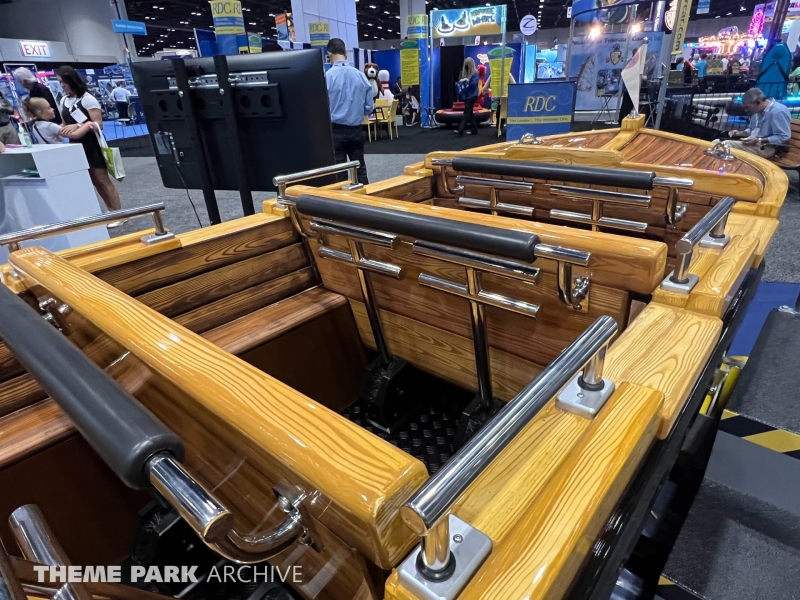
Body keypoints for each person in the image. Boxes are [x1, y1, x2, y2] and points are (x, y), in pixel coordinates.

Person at [56, 65, 122, 212]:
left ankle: (119, 213)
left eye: (63, 82)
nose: (62, 85)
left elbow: (98, 124)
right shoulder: (63, 100)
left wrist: (78, 125)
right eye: (60, 82)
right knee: (94, 181)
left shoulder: (87, 99)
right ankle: (111, 210)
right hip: (76, 145)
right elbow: (65, 123)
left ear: (71, 81)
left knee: (103, 180)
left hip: (92, 144)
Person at [324, 38, 373, 184]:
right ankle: (366, 197)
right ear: (345, 53)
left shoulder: (327, 77)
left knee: (340, 174)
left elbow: (322, 106)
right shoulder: (360, 75)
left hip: (336, 131)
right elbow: (369, 107)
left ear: (329, 54)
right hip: (356, 129)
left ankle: (343, 199)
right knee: (360, 170)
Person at [720, 87, 791, 159]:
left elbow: (784, 137)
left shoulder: (778, 111)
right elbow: (751, 130)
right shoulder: (756, 112)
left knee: (725, 145)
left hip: (767, 147)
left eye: (747, 107)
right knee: (716, 142)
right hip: (754, 144)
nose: (746, 110)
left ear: (758, 101)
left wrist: (759, 140)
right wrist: (740, 133)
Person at [456, 57, 479, 136]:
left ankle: (460, 129)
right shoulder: (465, 73)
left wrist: (467, 80)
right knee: (470, 113)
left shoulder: (475, 73)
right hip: (466, 95)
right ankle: (474, 130)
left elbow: (474, 84)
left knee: (466, 112)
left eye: (467, 65)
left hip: (472, 95)